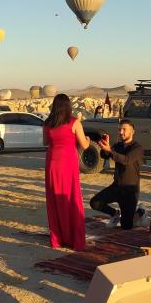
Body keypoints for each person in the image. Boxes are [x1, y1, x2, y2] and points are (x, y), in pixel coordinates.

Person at [43, 93, 90, 251]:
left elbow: (45, 142)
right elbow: (84, 145)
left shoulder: (48, 123)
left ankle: (57, 239)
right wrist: (88, 141)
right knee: (71, 198)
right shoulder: (74, 122)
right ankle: (74, 239)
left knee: (55, 200)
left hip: (52, 163)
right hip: (68, 163)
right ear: (68, 106)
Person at [90, 119, 145, 230]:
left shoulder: (137, 148)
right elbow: (104, 155)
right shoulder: (118, 145)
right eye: (119, 129)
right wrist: (106, 146)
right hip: (117, 187)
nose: (121, 132)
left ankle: (140, 212)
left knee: (126, 226)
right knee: (95, 203)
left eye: (124, 129)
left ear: (132, 131)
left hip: (130, 190)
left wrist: (109, 150)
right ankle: (115, 214)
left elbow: (126, 160)